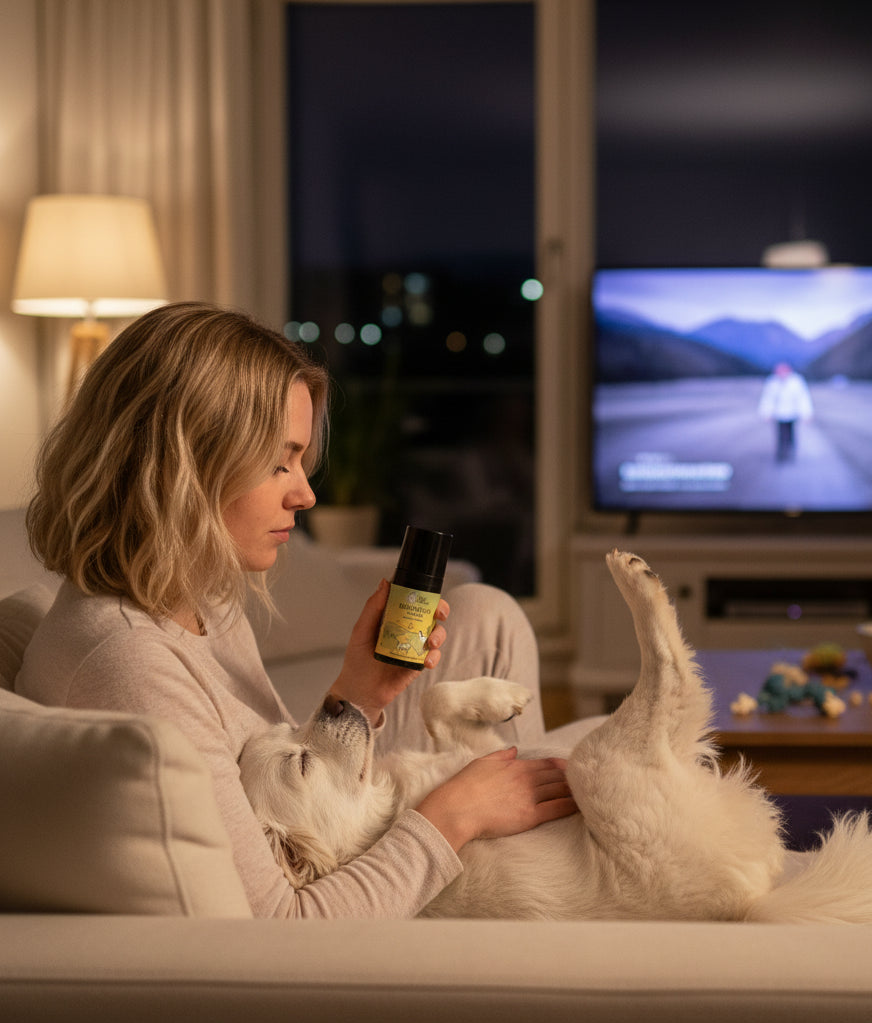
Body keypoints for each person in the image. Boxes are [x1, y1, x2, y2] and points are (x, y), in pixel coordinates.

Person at [15, 300, 576, 918]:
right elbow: (285, 922)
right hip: (328, 930)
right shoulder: (129, 665)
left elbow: (292, 793)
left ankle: (545, 847)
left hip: (340, 837)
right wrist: (455, 816)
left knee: (484, 614)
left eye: (302, 462)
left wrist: (360, 694)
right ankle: (548, 896)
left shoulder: (200, 596)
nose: (305, 492)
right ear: (183, 464)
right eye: (278, 462)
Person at [757, 362, 814, 462]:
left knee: (790, 433)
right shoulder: (772, 382)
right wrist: (766, 412)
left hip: (792, 413)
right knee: (781, 434)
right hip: (779, 414)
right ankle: (781, 453)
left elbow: (803, 398)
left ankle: (790, 451)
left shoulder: (796, 382)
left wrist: (806, 414)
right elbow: (768, 399)